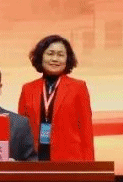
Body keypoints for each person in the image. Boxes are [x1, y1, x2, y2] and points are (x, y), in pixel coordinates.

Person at [17, 34, 95, 162]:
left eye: (60, 55)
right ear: (41, 56)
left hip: (69, 160)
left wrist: (89, 167)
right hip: (35, 158)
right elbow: (21, 130)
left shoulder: (78, 87)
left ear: (67, 59)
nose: (55, 59)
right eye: (50, 54)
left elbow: (86, 130)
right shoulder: (28, 89)